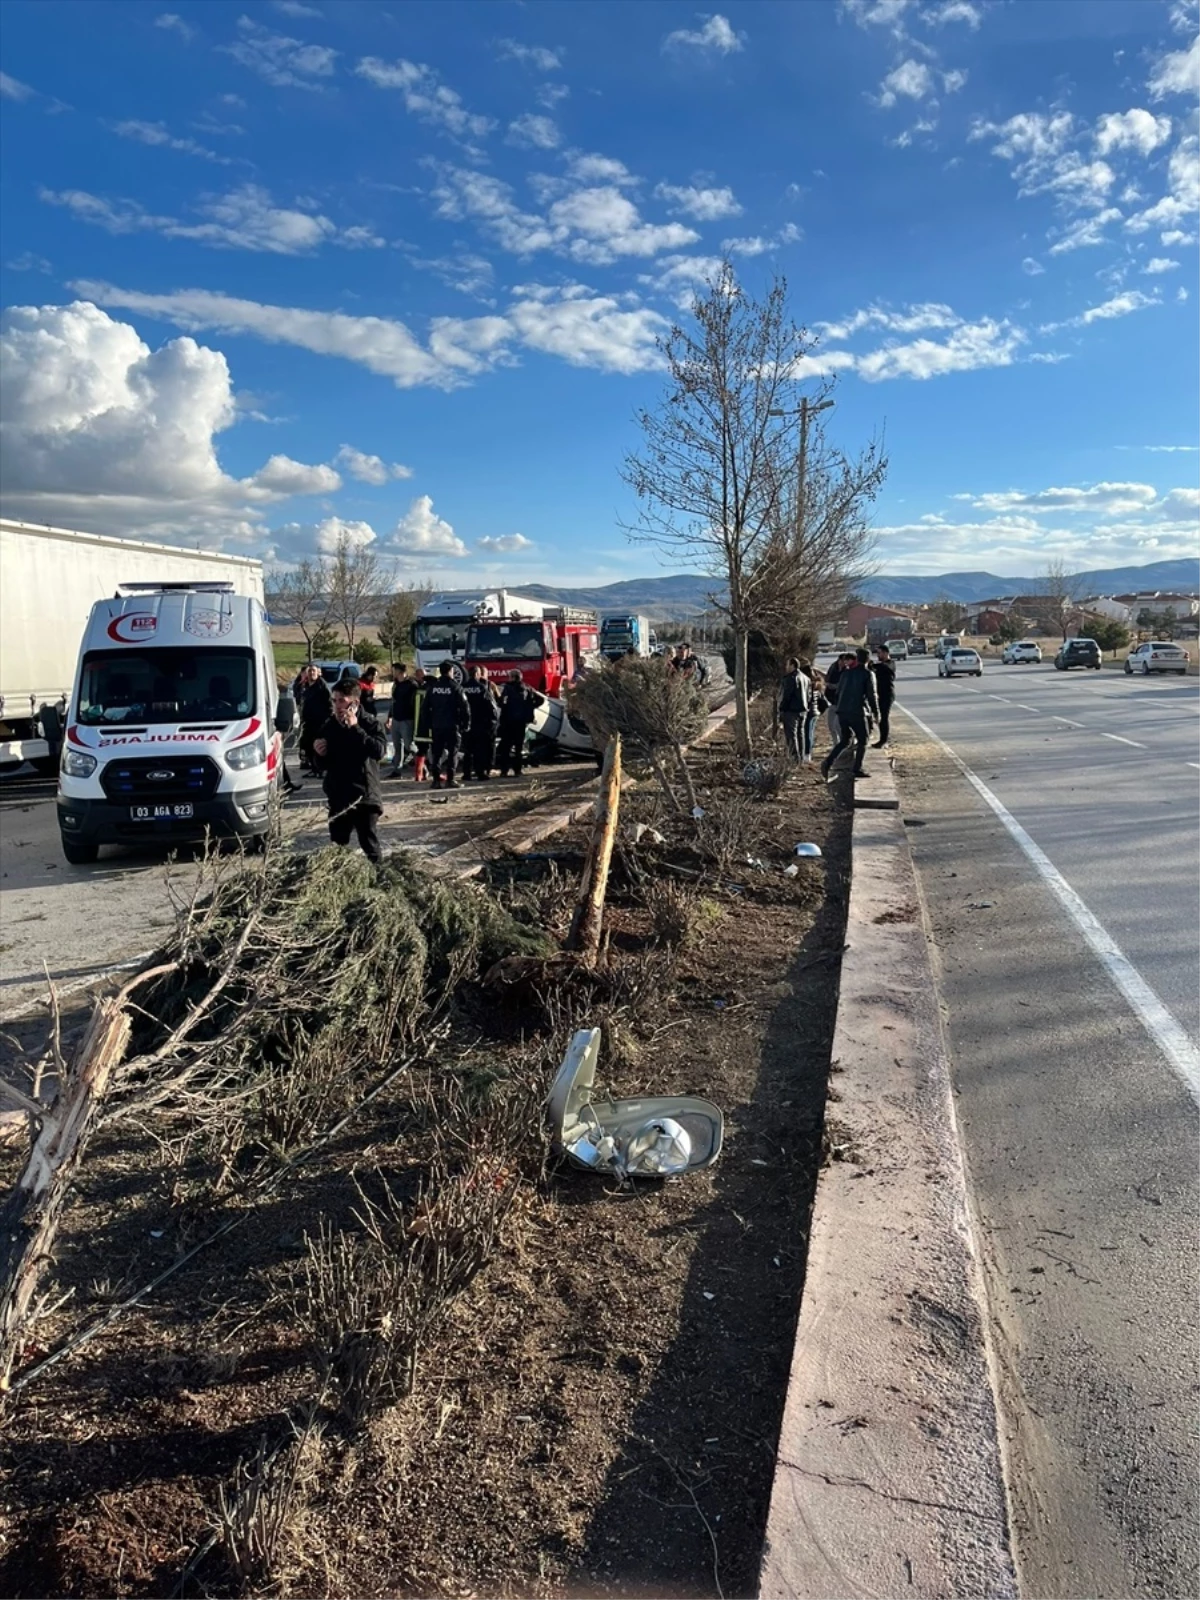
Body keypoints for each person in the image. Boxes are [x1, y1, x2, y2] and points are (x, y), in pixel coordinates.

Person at [312, 678, 385, 862]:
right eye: (334, 700)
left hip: (364, 796)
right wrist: (319, 754)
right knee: (337, 846)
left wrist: (355, 728)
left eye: (342, 700)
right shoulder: (330, 725)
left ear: (355, 703)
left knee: (369, 845)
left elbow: (379, 751)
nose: (337, 706)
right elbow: (322, 766)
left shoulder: (370, 724)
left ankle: (381, 879)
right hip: (338, 796)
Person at [821, 648, 879, 781]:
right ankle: (857, 768)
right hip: (857, 711)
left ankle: (828, 762)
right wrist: (876, 713)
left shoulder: (846, 673)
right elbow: (872, 696)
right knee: (863, 739)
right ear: (868, 660)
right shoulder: (868, 674)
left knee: (845, 739)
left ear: (857, 659)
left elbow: (838, 691)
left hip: (842, 710)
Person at [426, 660, 470, 789]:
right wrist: (466, 724)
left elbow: (425, 708)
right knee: (453, 753)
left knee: (437, 753)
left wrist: (428, 723)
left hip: (437, 725)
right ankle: (450, 780)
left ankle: (436, 781)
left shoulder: (433, 688)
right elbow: (465, 708)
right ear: (451, 671)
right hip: (452, 726)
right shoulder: (455, 687)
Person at [461, 664, 500, 781]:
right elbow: (491, 707)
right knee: (479, 749)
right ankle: (480, 773)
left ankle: (466, 774)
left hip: (466, 723)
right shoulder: (482, 687)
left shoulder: (462, 687)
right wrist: (493, 722)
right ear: (478, 674)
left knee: (467, 750)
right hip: (480, 723)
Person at [496, 669, 537, 777]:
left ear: (513, 677)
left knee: (506, 747)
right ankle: (517, 770)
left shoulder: (507, 689)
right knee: (518, 747)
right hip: (520, 722)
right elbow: (536, 701)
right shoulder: (527, 688)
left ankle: (504, 771)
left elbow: (501, 703)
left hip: (508, 722)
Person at [777, 656, 811, 764]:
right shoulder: (806, 678)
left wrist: (782, 709)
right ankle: (800, 757)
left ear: (793, 665)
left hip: (791, 710)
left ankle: (794, 759)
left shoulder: (791, 679)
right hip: (803, 710)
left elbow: (787, 696)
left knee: (791, 736)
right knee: (801, 735)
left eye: (788, 664)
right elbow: (808, 695)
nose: (786, 667)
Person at [386, 663, 419, 777]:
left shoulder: (411, 685)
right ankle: (397, 770)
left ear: (400, 671)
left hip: (407, 719)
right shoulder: (396, 684)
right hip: (396, 719)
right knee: (397, 746)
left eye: (394, 670)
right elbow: (393, 702)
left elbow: (415, 703)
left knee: (409, 745)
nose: (393, 672)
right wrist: (389, 717)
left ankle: (421, 764)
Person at [299, 665, 332, 774]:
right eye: (309, 671)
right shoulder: (307, 686)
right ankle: (314, 768)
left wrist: (327, 719)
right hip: (308, 722)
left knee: (317, 746)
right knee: (306, 744)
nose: (311, 673)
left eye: (313, 671)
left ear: (318, 673)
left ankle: (320, 769)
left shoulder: (322, 686)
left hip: (320, 722)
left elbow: (330, 703)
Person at [872, 645, 896, 748]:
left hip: (887, 694)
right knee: (879, 717)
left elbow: (887, 668)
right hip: (879, 694)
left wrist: (874, 666)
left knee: (884, 717)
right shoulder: (879, 666)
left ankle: (883, 740)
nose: (878, 655)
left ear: (886, 653)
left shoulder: (890, 663)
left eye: (880, 653)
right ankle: (881, 738)